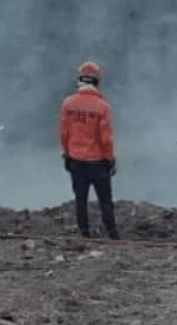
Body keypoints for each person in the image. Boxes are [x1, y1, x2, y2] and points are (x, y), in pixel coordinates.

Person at [59, 60, 118, 239]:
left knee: (80, 200)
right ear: (97, 81)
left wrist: (66, 153)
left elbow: (64, 133)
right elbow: (105, 137)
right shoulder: (102, 106)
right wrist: (110, 158)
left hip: (76, 160)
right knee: (105, 200)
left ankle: (84, 233)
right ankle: (112, 233)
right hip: (98, 161)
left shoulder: (68, 103)